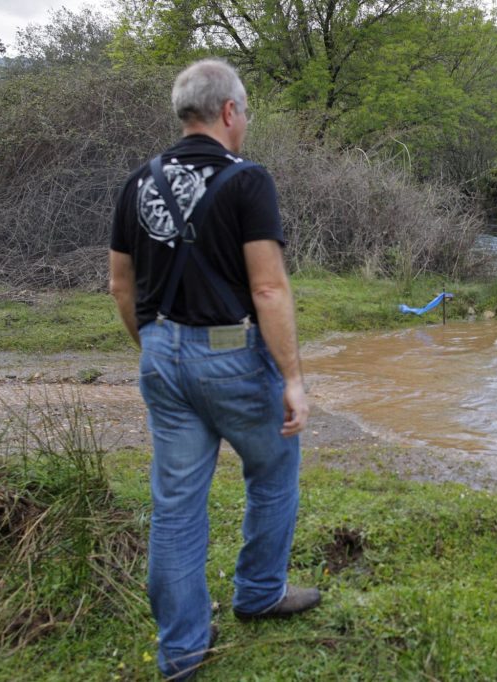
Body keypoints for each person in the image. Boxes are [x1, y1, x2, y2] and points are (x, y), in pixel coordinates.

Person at [109, 58, 319, 680]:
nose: (246, 122)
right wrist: (293, 379)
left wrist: (153, 345)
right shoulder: (248, 181)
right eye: (246, 112)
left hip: (160, 352)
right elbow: (270, 290)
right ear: (229, 111)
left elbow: (121, 287)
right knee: (274, 473)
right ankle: (258, 593)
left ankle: (180, 652)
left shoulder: (137, 182)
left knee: (175, 506)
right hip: (232, 356)